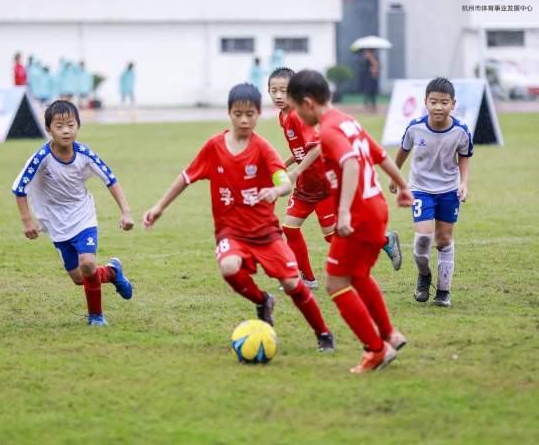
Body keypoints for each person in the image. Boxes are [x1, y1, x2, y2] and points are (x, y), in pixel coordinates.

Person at [143, 83, 335, 352]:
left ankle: (323, 333)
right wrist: (159, 207)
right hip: (230, 232)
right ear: (229, 114)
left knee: (292, 283)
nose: (244, 120)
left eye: (250, 114)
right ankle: (262, 299)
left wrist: (276, 189)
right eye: (238, 114)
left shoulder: (263, 148)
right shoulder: (214, 147)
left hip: (266, 233)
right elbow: (186, 177)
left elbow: (284, 181)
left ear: (258, 113)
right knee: (229, 267)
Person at [287, 70, 413, 373]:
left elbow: (352, 162)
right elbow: (381, 156)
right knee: (358, 275)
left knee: (335, 283)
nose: (295, 115)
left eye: (295, 108)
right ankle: (389, 335)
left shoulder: (328, 130)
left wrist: (343, 212)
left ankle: (375, 349)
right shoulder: (348, 121)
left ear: (307, 103)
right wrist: (403, 186)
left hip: (358, 213)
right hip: (377, 207)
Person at [268, 67, 403, 290]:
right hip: (305, 185)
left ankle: (384, 241)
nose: (279, 95)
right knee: (290, 229)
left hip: (322, 184)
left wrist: (294, 172)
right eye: (274, 91)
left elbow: (317, 148)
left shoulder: (297, 116)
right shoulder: (283, 117)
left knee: (333, 236)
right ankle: (307, 279)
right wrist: (286, 164)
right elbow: (302, 149)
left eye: (284, 91)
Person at [12, 100, 135, 326]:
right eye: (59, 126)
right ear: (48, 130)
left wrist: (126, 212)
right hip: (56, 223)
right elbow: (19, 188)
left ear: (78, 126)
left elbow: (111, 180)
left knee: (87, 263)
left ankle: (96, 316)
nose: (66, 130)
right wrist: (26, 220)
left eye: (70, 124)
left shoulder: (84, 154)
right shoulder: (41, 158)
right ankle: (113, 273)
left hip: (83, 216)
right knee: (80, 278)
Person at [389, 77, 472, 308]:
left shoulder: (461, 131)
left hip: (448, 190)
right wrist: (395, 176)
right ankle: (424, 275)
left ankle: (443, 292)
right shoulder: (415, 127)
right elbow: (403, 150)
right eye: (433, 101)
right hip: (421, 189)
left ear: (453, 104)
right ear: (425, 102)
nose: (438, 107)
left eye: (444, 102)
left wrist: (464, 183)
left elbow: (465, 156)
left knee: (444, 239)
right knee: (423, 238)